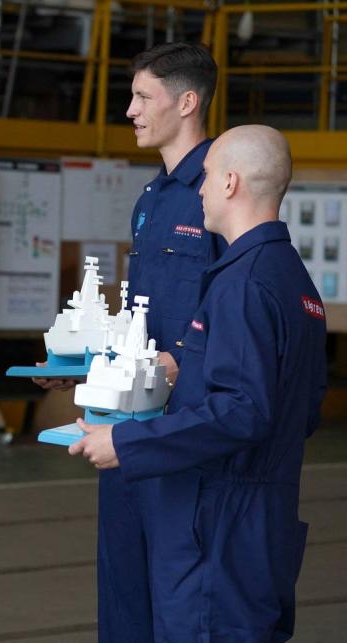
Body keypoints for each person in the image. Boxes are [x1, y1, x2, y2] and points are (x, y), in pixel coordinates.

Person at [70, 125, 327, 641]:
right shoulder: (291, 278)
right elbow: (301, 407)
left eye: (206, 177)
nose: (201, 190)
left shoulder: (243, 284)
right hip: (260, 522)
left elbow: (241, 411)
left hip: (218, 529)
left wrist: (126, 441)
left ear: (230, 183)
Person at [34, 41, 225, 642]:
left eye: (143, 96)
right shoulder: (151, 199)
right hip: (124, 424)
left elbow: (236, 310)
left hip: (184, 432)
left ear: (187, 101)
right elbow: (139, 320)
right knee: (122, 595)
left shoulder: (222, 190)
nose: (130, 110)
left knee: (181, 600)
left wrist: (184, 362)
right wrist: (85, 364)